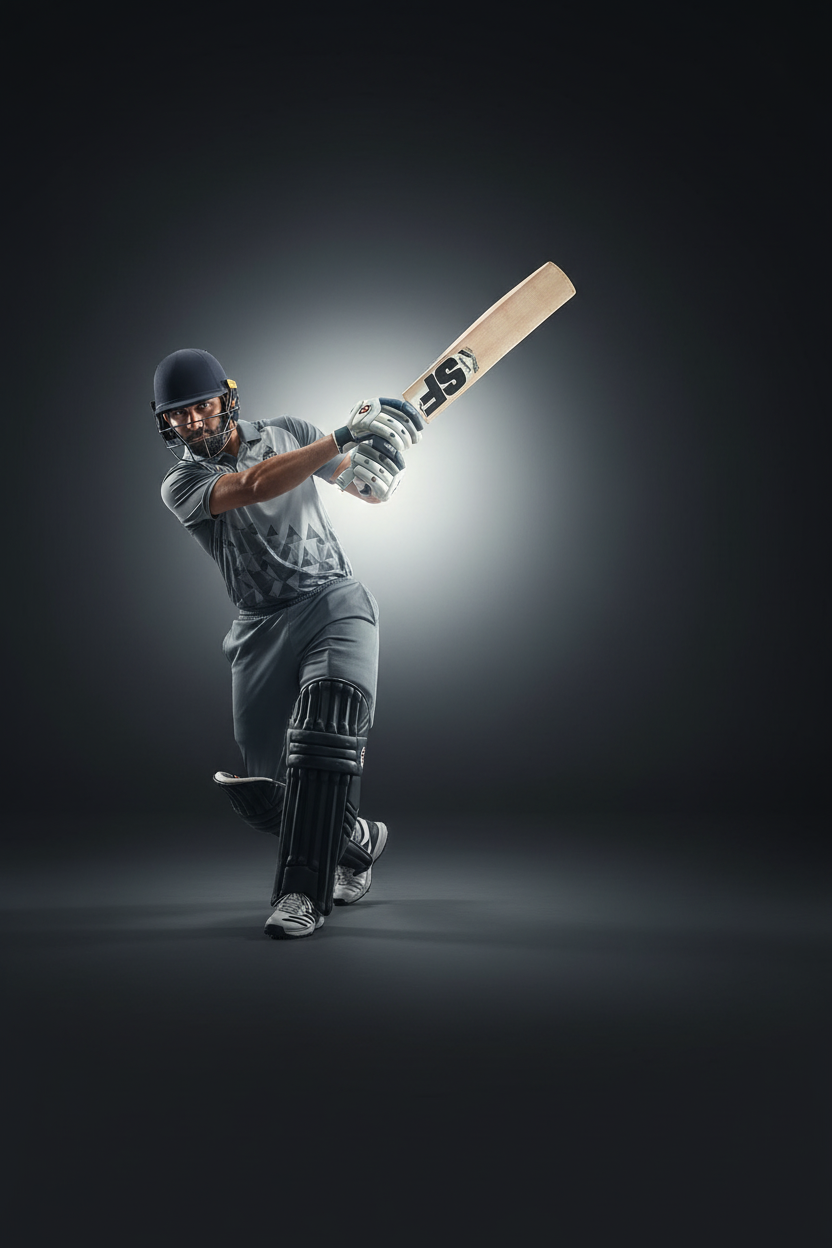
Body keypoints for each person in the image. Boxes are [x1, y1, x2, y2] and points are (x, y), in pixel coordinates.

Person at [152, 348, 423, 939]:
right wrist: (344, 432)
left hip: (333, 601)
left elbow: (355, 484)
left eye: (202, 407)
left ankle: (302, 894)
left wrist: (374, 472)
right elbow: (250, 485)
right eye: (180, 415)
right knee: (262, 794)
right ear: (165, 421)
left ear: (227, 398)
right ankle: (355, 841)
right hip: (259, 628)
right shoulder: (182, 482)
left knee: (325, 729)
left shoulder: (288, 433)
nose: (194, 422)